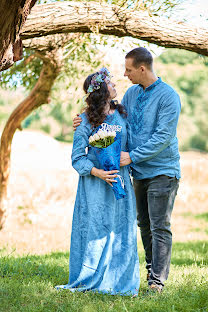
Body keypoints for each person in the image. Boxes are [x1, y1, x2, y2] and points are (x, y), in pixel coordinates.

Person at [73, 47, 181, 293]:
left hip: (163, 169)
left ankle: (156, 282)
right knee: (143, 224)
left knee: (159, 225)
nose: (124, 74)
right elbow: (108, 117)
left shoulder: (169, 96)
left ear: (142, 69)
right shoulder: (131, 95)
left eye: (129, 70)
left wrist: (131, 156)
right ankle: (149, 271)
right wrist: (81, 120)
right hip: (137, 171)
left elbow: (163, 137)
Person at [56, 68, 140, 296]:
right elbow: (77, 157)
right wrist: (97, 172)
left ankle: (120, 279)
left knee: (122, 227)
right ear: (102, 90)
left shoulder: (122, 114)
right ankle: (89, 275)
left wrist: (126, 160)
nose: (115, 85)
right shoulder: (84, 120)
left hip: (119, 180)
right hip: (94, 183)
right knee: (94, 227)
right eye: (111, 83)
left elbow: (130, 145)